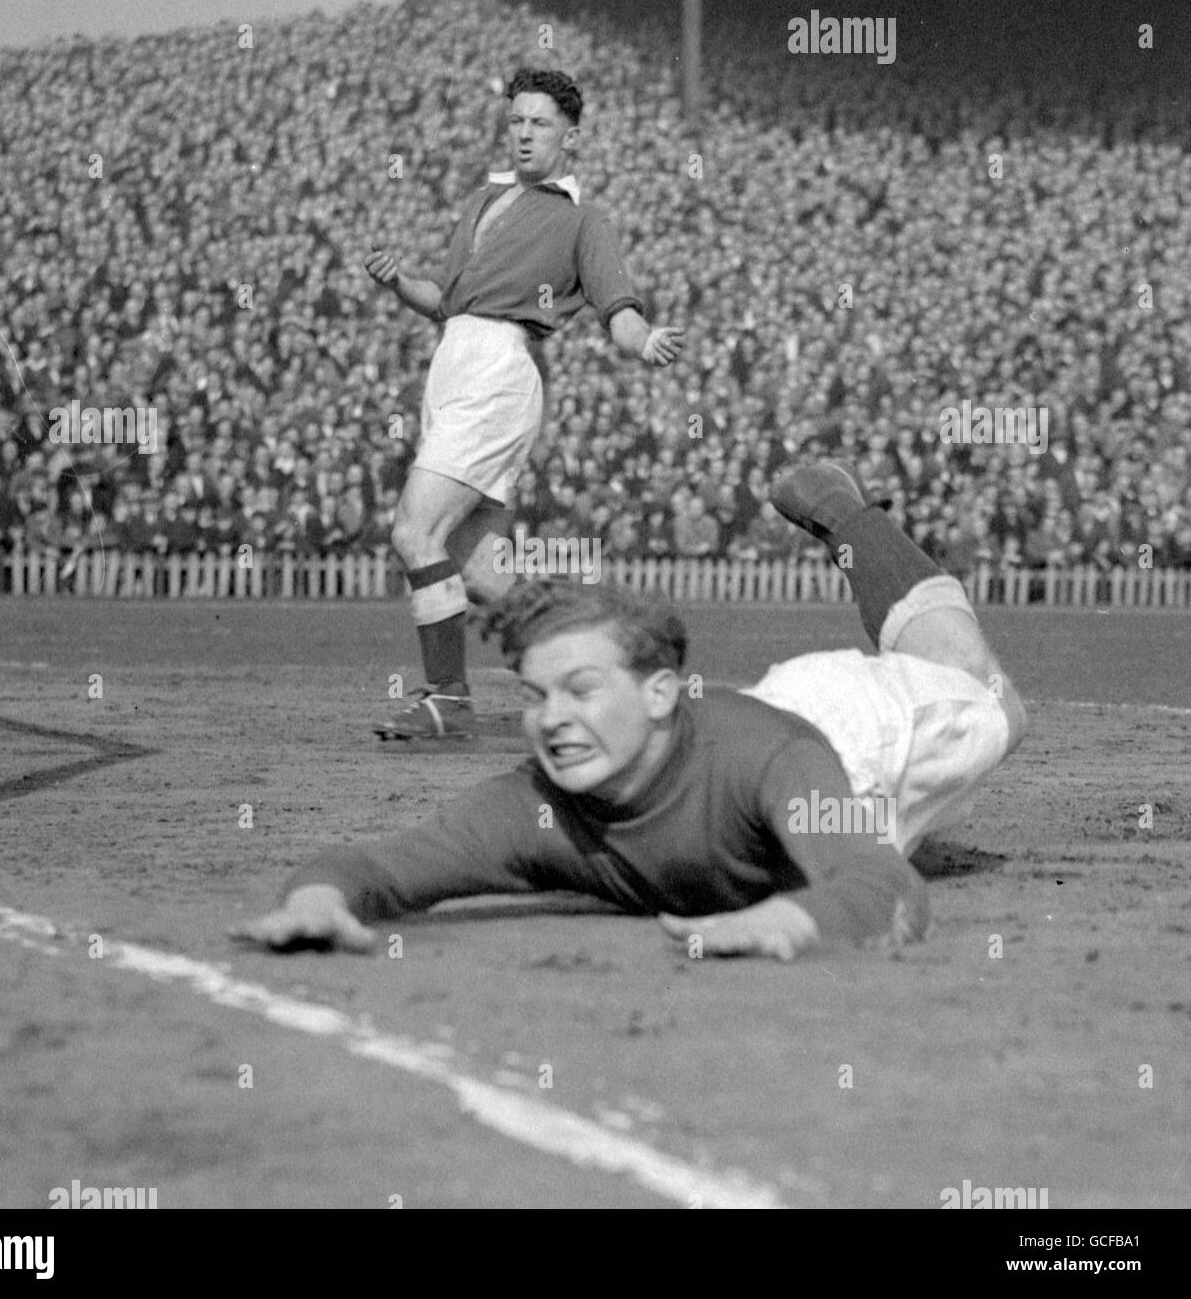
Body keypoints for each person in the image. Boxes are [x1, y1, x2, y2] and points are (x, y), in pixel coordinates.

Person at [232, 461, 1028, 961]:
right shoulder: (538, 805)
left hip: (854, 728)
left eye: (581, 689)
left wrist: (780, 923)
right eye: (537, 696)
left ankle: (854, 522)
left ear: (656, 693)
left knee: (986, 692)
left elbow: (885, 887)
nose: (552, 718)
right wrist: (318, 903)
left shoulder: (776, 760)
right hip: (740, 755)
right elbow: (382, 866)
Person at [362, 67, 684, 740]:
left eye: (540, 123)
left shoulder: (579, 220)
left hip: (500, 371)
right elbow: (448, 306)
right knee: (481, 572)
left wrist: (643, 338)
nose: (525, 134)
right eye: (517, 121)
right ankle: (613, 656)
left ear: (571, 137)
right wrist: (400, 283)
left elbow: (615, 307)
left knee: (414, 532)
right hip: (454, 362)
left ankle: (446, 699)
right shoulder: (483, 201)